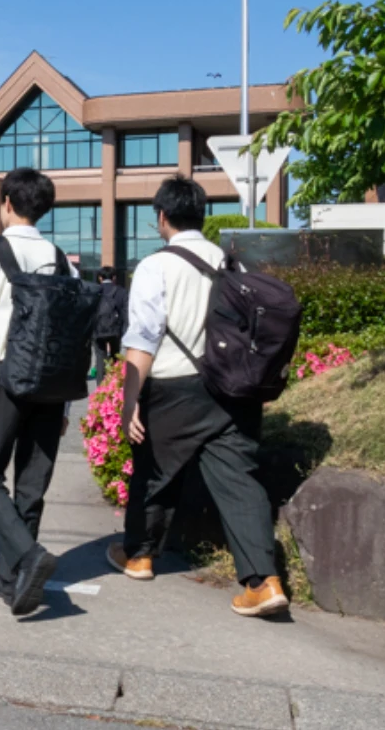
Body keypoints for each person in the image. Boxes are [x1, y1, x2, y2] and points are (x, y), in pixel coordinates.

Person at [109, 176, 288, 618]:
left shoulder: (156, 266)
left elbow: (144, 338)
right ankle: (263, 583)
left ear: (162, 217)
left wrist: (130, 400)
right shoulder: (231, 264)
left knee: (153, 469)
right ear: (203, 216)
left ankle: (140, 555)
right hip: (231, 390)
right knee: (239, 481)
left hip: (175, 388)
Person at [0, 168, 71, 616]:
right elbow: (66, 332)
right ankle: (12, 582)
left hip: (2, 376)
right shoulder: (60, 258)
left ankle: (27, 557)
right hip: (50, 383)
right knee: (31, 484)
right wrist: (63, 403)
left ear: (6, 203)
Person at [93, 267, 129, 384]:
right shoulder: (121, 292)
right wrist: (124, 331)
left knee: (100, 358)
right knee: (115, 355)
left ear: (100, 278)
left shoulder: (94, 291)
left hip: (97, 330)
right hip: (115, 330)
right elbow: (125, 313)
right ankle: (113, 384)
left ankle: (100, 386)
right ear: (114, 278)